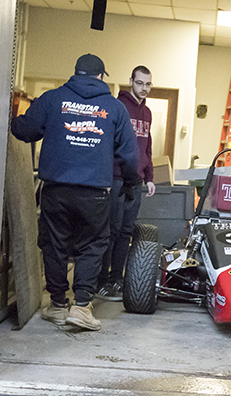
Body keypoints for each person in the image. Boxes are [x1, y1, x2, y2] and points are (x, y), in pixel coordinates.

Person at [11, 53, 140, 331]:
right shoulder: (115, 108)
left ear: (76, 73)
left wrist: (9, 118)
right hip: (94, 194)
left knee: (55, 245)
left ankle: (57, 306)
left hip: (56, 190)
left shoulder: (52, 99)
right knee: (91, 247)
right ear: (101, 76)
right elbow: (130, 155)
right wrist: (132, 183)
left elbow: (25, 130)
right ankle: (81, 307)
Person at [97, 65, 156, 301]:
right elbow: (108, 144)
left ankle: (116, 279)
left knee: (125, 232)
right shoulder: (118, 106)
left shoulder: (148, 113)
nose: (144, 88)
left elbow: (147, 147)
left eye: (148, 84)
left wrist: (149, 177)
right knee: (110, 230)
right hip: (116, 178)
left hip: (137, 181)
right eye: (140, 83)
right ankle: (100, 281)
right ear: (130, 81)